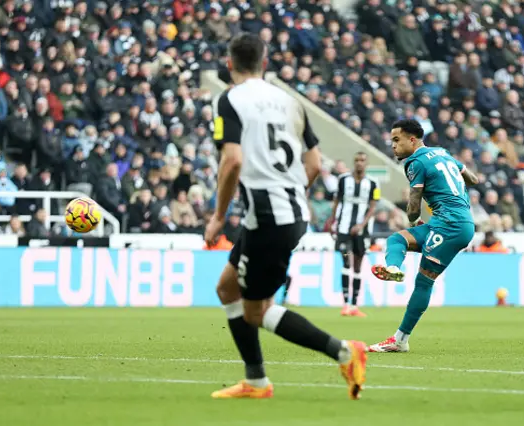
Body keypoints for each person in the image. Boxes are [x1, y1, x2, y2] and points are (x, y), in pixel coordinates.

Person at [203, 33, 367, 400]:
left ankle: (343, 351)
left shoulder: (229, 99)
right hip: (285, 212)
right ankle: (255, 379)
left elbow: (232, 160)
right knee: (227, 288)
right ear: (265, 63)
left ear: (229, 64)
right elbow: (313, 163)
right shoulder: (288, 101)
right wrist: (290, 193)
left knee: (257, 312)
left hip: (266, 216)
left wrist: (217, 216)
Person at [368, 119, 478, 353]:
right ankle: (394, 268)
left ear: (412, 139)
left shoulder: (414, 162)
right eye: (392, 141)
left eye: (397, 140)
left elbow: (414, 207)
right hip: (453, 220)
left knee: (424, 281)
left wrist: (413, 219)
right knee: (397, 240)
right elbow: (474, 179)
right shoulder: (443, 153)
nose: (393, 146)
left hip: (450, 224)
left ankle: (400, 340)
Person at [331, 151, 379, 317]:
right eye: (357, 160)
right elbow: (337, 201)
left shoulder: (373, 183)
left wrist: (361, 225)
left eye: (362, 160)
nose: (359, 163)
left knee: (358, 265)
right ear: (354, 162)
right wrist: (332, 221)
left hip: (362, 231)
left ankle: (354, 305)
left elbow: (373, 207)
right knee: (346, 261)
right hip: (343, 229)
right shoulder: (343, 179)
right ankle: (345, 304)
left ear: (366, 163)